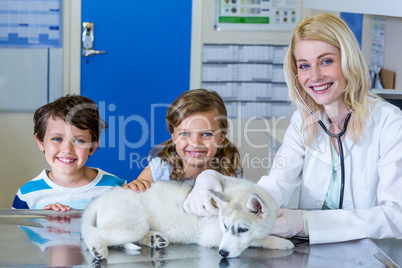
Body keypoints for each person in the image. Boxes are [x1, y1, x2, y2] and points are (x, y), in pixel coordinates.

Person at [185, 13, 402, 244]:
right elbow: (276, 186)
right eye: (304, 66)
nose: (315, 76)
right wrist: (215, 180)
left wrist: (305, 222)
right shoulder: (304, 121)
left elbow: (396, 216)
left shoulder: (390, 124)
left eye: (326, 61)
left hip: (376, 255)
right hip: (316, 253)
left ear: (348, 60)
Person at [124, 89, 243, 215]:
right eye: (185, 133)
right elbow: (132, 206)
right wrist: (132, 191)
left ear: (221, 138)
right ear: (174, 136)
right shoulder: (160, 169)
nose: (195, 143)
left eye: (207, 134)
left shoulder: (230, 171)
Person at [12, 95, 126, 211]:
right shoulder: (26, 195)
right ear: (41, 142)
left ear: (93, 147)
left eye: (79, 140)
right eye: (57, 139)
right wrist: (43, 224)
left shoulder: (116, 189)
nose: (67, 149)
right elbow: (17, 229)